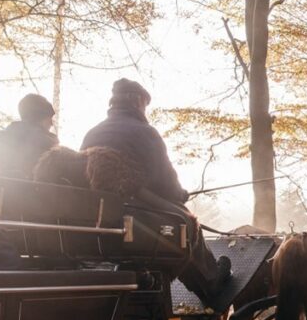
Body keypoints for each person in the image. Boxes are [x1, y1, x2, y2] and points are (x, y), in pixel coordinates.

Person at [81, 78, 233, 303]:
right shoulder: (145, 132)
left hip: (98, 217)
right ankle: (211, 281)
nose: (145, 109)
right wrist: (180, 194)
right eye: (144, 104)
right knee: (186, 221)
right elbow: (165, 180)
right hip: (133, 213)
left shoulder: (92, 133)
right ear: (137, 101)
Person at [0, 94, 59, 179]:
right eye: (49, 118)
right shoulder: (47, 148)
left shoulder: (3, 142)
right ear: (38, 118)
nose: (51, 124)